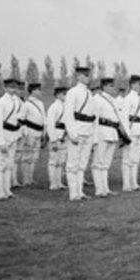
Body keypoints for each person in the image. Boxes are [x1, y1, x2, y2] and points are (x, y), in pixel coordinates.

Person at [62, 65, 95, 201]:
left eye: (89, 75)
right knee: (72, 165)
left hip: (87, 131)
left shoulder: (88, 93)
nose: (88, 78)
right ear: (79, 76)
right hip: (77, 130)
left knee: (82, 164)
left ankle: (80, 192)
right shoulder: (73, 92)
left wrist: (92, 133)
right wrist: (72, 133)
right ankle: (73, 193)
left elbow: (92, 115)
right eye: (86, 75)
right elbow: (68, 114)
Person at [92, 77, 127, 197]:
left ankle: (105, 189)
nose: (113, 88)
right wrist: (94, 138)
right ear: (105, 87)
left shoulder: (113, 100)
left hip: (112, 132)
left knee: (106, 163)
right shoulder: (97, 99)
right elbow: (95, 119)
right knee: (98, 162)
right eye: (111, 86)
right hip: (102, 132)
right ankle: (99, 189)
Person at [0, 77, 23, 200]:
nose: (13, 89)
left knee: (9, 164)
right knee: (0, 165)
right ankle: (0, 192)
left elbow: (19, 118)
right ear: (5, 88)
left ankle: (7, 190)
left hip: (13, 135)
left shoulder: (18, 101)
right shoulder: (1, 102)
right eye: (10, 87)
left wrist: (18, 135)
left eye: (14, 87)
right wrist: (1, 142)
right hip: (3, 135)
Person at [119, 75, 140, 192]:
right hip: (131, 131)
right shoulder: (128, 99)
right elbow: (124, 118)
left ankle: (134, 183)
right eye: (139, 84)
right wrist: (126, 135)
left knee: (135, 159)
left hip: (139, 131)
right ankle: (126, 184)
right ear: (133, 84)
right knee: (127, 159)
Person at [18, 82, 46, 186]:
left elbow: (43, 118)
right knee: (27, 157)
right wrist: (25, 133)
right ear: (33, 91)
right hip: (30, 132)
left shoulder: (40, 103)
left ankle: (31, 178)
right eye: (38, 90)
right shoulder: (27, 104)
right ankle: (25, 179)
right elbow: (21, 118)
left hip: (39, 132)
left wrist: (44, 132)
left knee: (34, 157)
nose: (40, 92)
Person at [46, 85, 68, 190]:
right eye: (64, 94)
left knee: (61, 161)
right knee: (53, 161)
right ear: (58, 95)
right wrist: (53, 140)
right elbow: (50, 124)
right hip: (56, 135)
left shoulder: (66, 106)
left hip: (64, 135)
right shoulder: (53, 107)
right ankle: (53, 183)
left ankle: (59, 182)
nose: (66, 96)